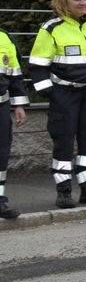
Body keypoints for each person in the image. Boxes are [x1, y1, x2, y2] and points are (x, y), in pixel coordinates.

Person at [28, 0, 86, 208]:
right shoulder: (51, 28)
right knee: (63, 142)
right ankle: (64, 190)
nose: (83, 2)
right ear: (63, 3)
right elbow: (37, 65)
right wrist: (51, 93)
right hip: (65, 94)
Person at [0, 27, 28, 219]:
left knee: (1, 154)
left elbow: (14, 74)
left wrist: (19, 105)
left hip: (1, 104)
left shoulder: (5, 38)